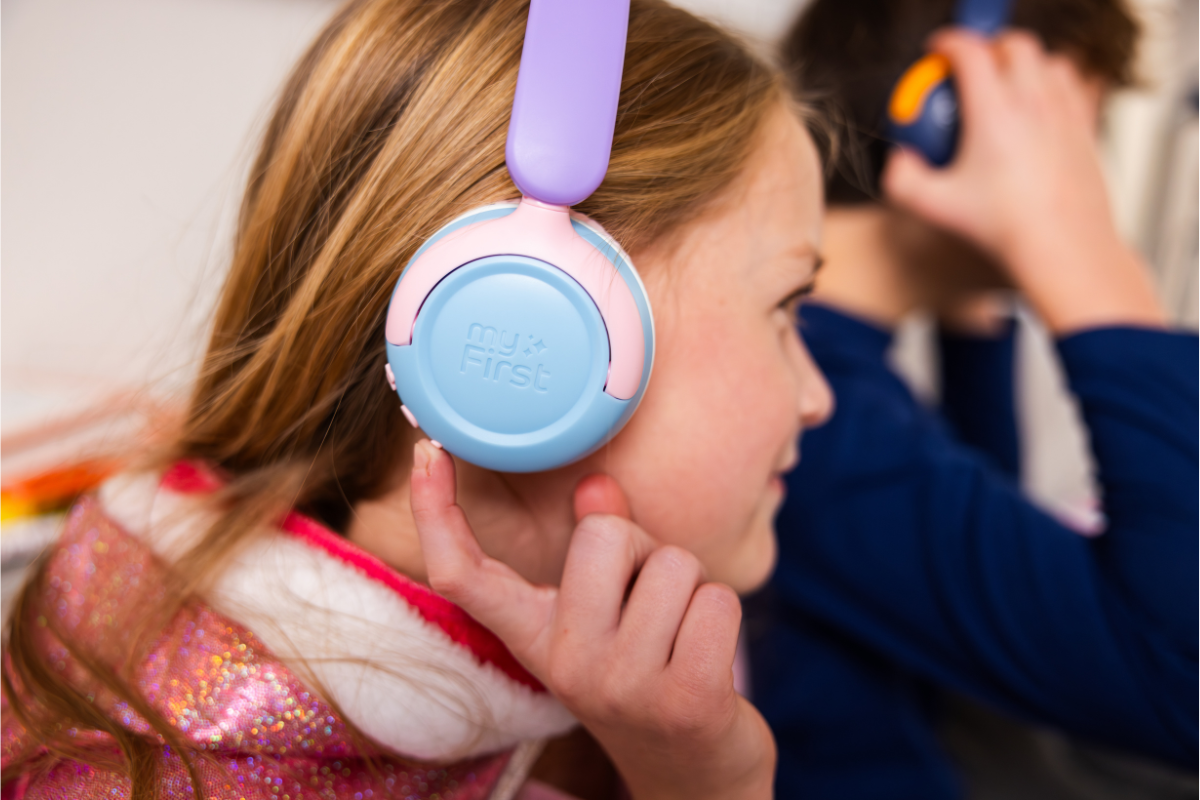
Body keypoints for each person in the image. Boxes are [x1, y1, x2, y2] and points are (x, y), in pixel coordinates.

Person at [0, 0, 834, 798]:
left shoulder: (662, 662)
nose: (820, 398)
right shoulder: (168, 770)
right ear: (548, 327)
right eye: (787, 309)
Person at [748, 0, 1198, 797]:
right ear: (939, 123)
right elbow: (1183, 684)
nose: (1080, 176)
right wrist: (1085, 257)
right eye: (1068, 138)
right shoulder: (808, 422)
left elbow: (976, 511)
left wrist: (972, 312)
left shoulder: (833, 370)